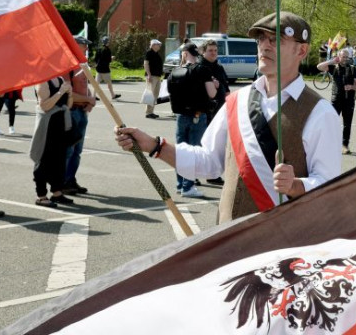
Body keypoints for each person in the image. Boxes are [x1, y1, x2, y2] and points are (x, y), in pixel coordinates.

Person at [115, 12, 342, 224]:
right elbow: (208, 162)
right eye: (261, 39)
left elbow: (330, 187)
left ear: (301, 51)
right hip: (228, 237)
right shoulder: (237, 100)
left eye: (276, 40)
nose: (265, 46)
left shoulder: (320, 113)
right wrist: (154, 145)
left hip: (283, 241)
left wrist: (295, 185)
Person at [168, 43, 219, 198]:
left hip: (180, 115)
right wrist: (215, 85)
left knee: (180, 151)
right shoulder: (203, 70)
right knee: (193, 151)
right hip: (197, 115)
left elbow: (169, 91)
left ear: (184, 54)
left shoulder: (175, 71)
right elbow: (212, 94)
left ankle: (180, 184)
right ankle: (188, 186)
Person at [30, 75, 75, 208]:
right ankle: (41, 196)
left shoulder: (60, 79)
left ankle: (57, 192)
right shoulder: (42, 81)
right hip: (46, 126)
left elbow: (68, 105)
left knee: (59, 160)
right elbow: (45, 106)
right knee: (43, 160)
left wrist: (70, 94)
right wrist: (61, 91)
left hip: (60, 124)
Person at [63, 36, 96, 195]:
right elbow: (67, 93)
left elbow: (85, 86)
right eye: (84, 45)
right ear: (75, 45)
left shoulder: (82, 65)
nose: (87, 48)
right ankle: (63, 182)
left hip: (81, 111)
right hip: (71, 111)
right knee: (68, 150)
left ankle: (70, 180)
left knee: (77, 151)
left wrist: (89, 101)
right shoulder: (67, 65)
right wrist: (88, 99)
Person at [198, 39, 230, 186]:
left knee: (216, 145)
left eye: (215, 50)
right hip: (205, 111)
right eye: (210, 50)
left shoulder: (219, 67)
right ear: (203, 52)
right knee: (202, 144)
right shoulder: (200, 68)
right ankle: (193, 176)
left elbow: (226, 87)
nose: (213, 53)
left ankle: (212, 174)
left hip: (220, 111)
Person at [317, 47, 356, 154]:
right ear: (339, 56)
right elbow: (319, 66)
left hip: (348, 100)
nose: (345, 59)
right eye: (343, 57)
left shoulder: (352, 69)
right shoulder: (334, 67)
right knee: (332, 123)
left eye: (347, 57)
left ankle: (345, 145)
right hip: (336, 99)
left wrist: (351, 87)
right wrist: (332, 61)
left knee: (347, 124)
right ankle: (331, 144)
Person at [95, 36, 120, 100]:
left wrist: (98, 63)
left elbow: (96, 59)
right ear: (107, 42)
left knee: (96, 84)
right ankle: (113, 95)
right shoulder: (108, 50)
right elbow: (108, 60)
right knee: (109, 83)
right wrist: (112, 58)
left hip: (98, 69)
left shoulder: (98, 49)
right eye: (108, 42)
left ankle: (93, 95)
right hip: (105, 70)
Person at [143, 39, 163, 119]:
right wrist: (149, 75)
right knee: (150, 94)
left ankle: (151, 111)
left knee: (155, 94)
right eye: (158, 44)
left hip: (157, 76)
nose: (160, 46)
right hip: (152, 76)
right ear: (153, 45)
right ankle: (148, 112)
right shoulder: (149, 53)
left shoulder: (157, 53)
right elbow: (146, 64)